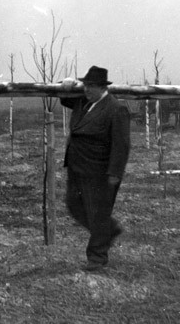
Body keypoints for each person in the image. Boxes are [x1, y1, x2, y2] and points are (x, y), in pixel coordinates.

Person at [60, 66, 131, 272]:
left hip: (99, 172)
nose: (86, 90)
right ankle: (109, 230)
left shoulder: (115, 108)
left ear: (102, 87)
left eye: (90, 86)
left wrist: (114, 174)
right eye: (84, 86)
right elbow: (64, 97)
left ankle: (97, 258)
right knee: (73, 205)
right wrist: (66, 83)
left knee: (98, 214)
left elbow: (122, 145)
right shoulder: (84, 102)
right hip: (76, 167)